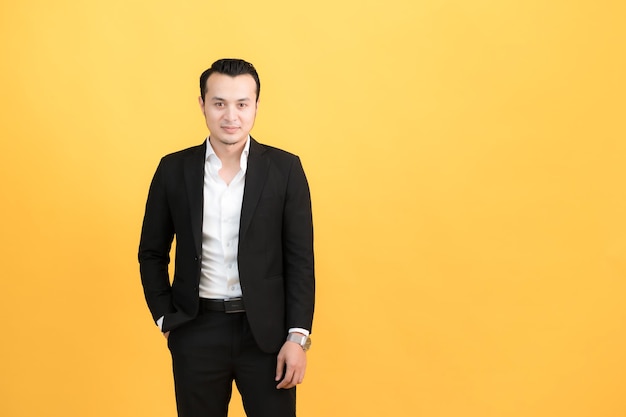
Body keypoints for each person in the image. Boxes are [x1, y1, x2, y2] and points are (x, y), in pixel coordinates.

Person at [138, 58, 315, 417]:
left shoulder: (285, 169)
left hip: (267, 336)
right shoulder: (173, 169)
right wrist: (166, 320)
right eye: (219, 103)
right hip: (197, 329)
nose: (230, 116)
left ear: (256, 106)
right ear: (202, 104)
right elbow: (151, 253)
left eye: (241, 104)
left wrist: (297, 338)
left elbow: (300, 261)